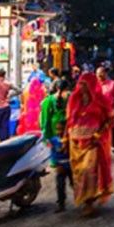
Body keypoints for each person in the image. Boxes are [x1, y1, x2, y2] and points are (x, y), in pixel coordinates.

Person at [66, 72, 114, 216]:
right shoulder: (74, 99)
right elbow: (69, 120)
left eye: (84, 84)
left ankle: (89, 202)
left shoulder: (100, 100)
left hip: (93, 142)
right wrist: (64, 138)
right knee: (79, 174)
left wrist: (98, 134)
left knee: (90, 172)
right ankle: (84, 200)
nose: (81, 87)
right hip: (75, 143)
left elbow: (110, 119)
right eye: (80, 84)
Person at [40, 80, 72, 213]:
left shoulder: (48, 101)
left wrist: (46, 138)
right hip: (71, 137)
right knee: (73, 173)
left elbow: (45, 121)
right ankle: (85, 198)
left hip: (54, 139)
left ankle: (61, 203)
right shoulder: (71, 98)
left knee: (60, 175)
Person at [96, 66, 114, 158]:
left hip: (109, 111)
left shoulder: (112, 84)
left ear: (105, 73)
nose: (99, 76)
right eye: (98, 75)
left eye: (101, 74)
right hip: (98, 112)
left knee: (111, 129)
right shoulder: (94, 85)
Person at [0, 69, 20, 141]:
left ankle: (3, 140)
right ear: (4, 75)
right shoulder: (8, 83)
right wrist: (10, 95)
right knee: (5, 126)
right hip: (6, 107)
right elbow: (19, 90)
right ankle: (6, 141)